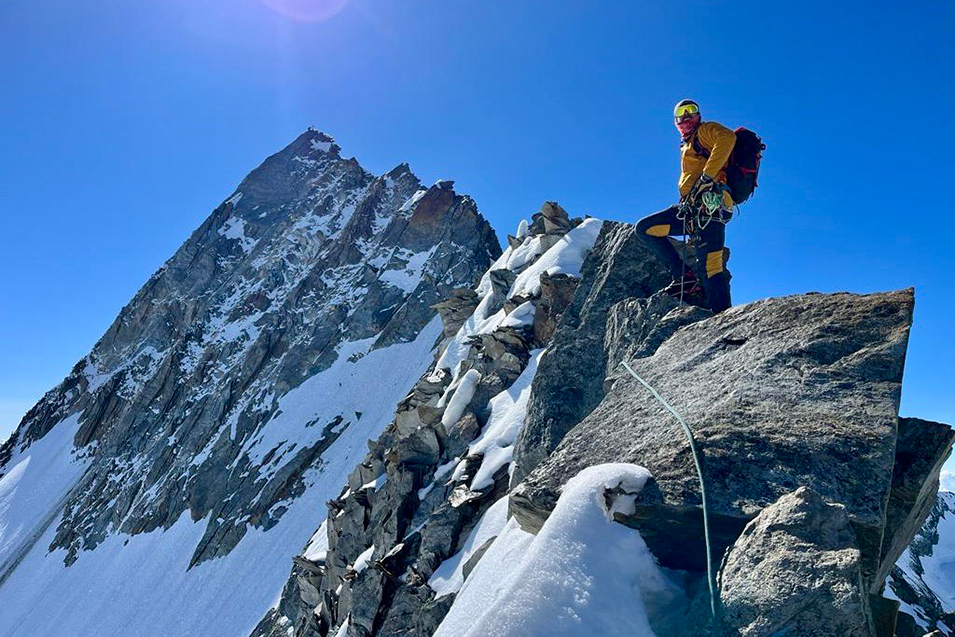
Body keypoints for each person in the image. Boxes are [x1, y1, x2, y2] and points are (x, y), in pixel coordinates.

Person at [636, 99, 735, 313]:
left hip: (711, 207)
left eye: (691, 111)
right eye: (681, 113)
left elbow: (728, 137)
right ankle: (684, 278)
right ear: (675, 120)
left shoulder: (705, 130)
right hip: (692, 210)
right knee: (645, 229)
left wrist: (708, 176)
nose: (686, 116)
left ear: (699, 115)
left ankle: (726, 323)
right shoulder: (689, 143)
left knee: (711, 266)